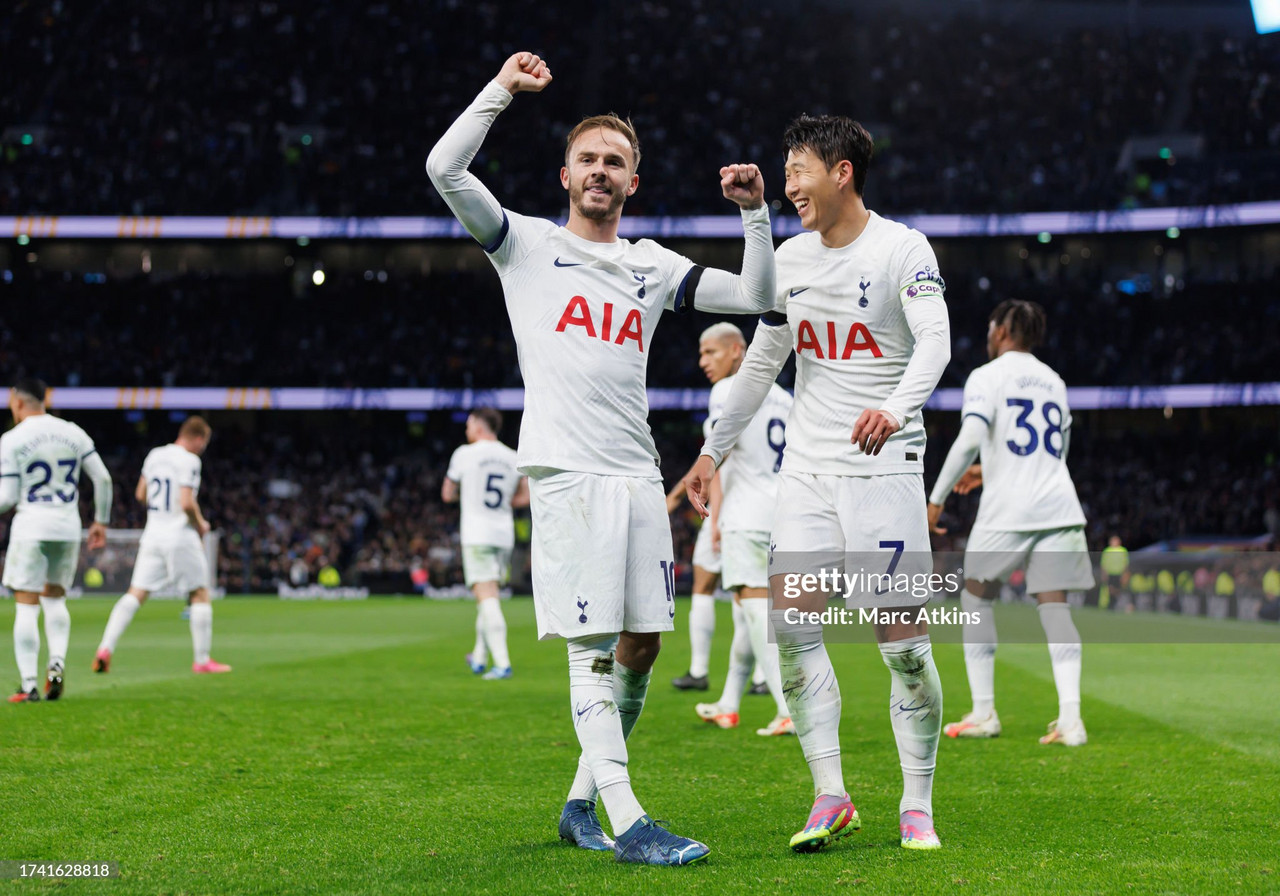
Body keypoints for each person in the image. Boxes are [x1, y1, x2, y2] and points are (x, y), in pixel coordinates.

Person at [427, 51, 775, 865]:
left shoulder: (652, 266)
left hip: (637, 477)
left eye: (615, 162)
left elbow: (758, 296)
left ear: (632, 184)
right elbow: (445, 167)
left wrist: (756, 214)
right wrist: (503, 90)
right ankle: (629, 819)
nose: (601, 170)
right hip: (566, 472)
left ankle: (580, 804)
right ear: (564, 175)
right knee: (591, 650)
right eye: (588, 159)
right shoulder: (524, 245)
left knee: (643, 645)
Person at [686, 114, 951, 852]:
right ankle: (829, 792)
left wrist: (896, 409)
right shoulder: (790, 262)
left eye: (799, 169)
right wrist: (711, 450)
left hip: (883, 470)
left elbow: (936, 339)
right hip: (804, 477)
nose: (790, 184)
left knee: (900, 646)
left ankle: (917, 800)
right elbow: (764, 363)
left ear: (842, 172)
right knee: (793, 631)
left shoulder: (903, 248)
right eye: (786, 170)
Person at [927, 300, 1093, 748]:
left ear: (1000, 331)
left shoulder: (987, 376)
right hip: (1058, 504)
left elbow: (970, 438)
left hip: (1011, 509)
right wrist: (990, 469)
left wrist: (936, 499)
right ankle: (1071, 721)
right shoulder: (1054, 381)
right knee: (1055, 608)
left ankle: (984, 712)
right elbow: (1057, 450)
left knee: (976, 597)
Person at [689, 322, 795, 736]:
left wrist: (715, 517)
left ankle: (787, 706)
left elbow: (720, 447)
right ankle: (729, 703)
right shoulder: (784, 397)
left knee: (752, 607)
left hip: (745, 512)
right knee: (746, 613)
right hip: (780, 513)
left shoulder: (727, 391)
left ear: (737, 350)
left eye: (710, 353)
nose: (704, 362)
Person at [1, 377, 112, 702]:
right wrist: (101, 522)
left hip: (31, 526)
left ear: (17, 401)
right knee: (55, 599)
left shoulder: (12, 438)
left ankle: (29, 685)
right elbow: (103, 478)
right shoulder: (72, 432)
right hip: (67, 526)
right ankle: (57, 664)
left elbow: (7, 497)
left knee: (26, 605)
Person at [93, 416, 229, 675]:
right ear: (199, 439)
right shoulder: (190, 460)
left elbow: (140, 494)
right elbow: (187, 502)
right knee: (199, 594)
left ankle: (105, 648)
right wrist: (200, 524)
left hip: (153, 534)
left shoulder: (155, 455)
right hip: (180, 536)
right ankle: (202, 661)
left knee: (136, 594)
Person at [442, 407, 528, 681]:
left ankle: (502, 664)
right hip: (503, 533)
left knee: (487, 596)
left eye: (468, 425)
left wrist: (467, 496)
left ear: (479, 426)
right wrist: (505, 503)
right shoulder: (512, 456)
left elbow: (447, 493)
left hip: (477, 534)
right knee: (489, 594)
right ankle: (479, 657)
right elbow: (525, 496)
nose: (466, 431)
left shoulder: (464, 454)